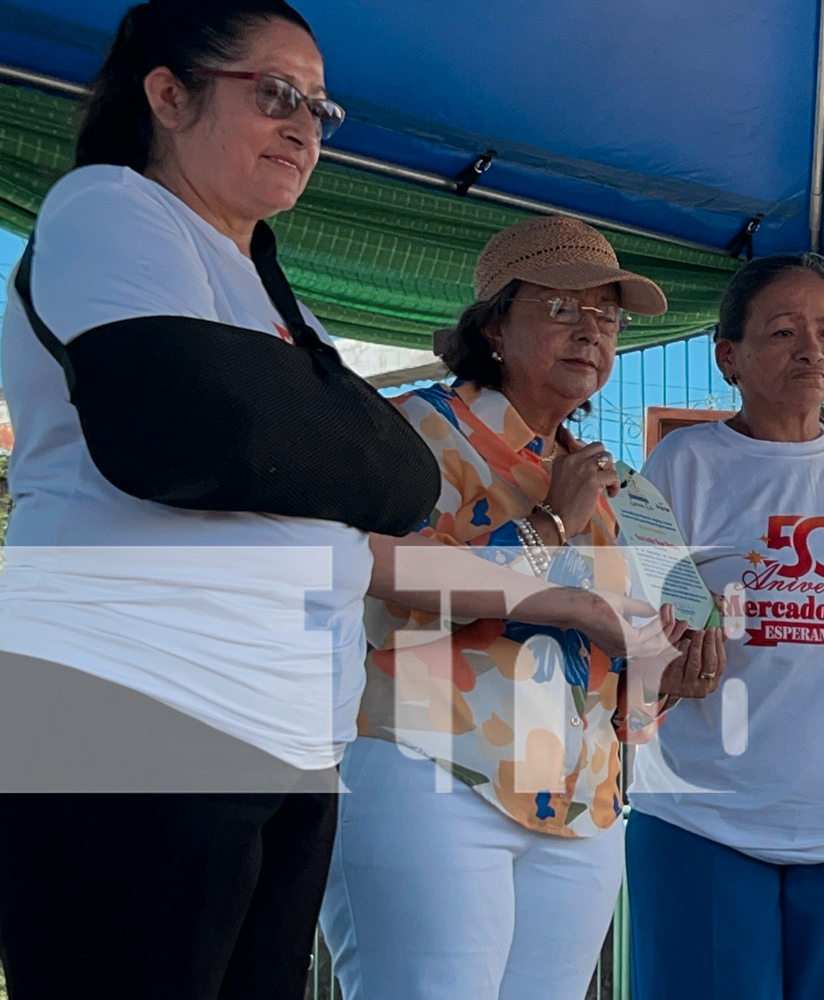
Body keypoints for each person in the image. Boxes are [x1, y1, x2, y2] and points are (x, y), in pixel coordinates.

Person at [0, 6, 660, 998]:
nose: (306, 125)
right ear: (169, 93)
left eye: (319, 105)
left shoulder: (284, 309)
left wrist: (628, 630)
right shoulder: (113, 210)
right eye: (274, 94)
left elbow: (352, 522)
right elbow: (215, 442)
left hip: (331, 735)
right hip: (164, 700)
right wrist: (542, 534)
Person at [318, 215, 726, 1000]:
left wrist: (682, 669)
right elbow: (376, 571)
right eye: (563, 306)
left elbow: (649, 665)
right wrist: (551, 526)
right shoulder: (416, 428)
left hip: (584, 805)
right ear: (495, 322)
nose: (592, 330)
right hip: (434, 770)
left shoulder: (627, 489)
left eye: (607, 316)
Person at [626, 253, 824, 1000]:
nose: (814, 349)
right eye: (784, 331)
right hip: (708, 820)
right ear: (728, 356)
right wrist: (671, 672)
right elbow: (646, 638)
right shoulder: (684, 464)